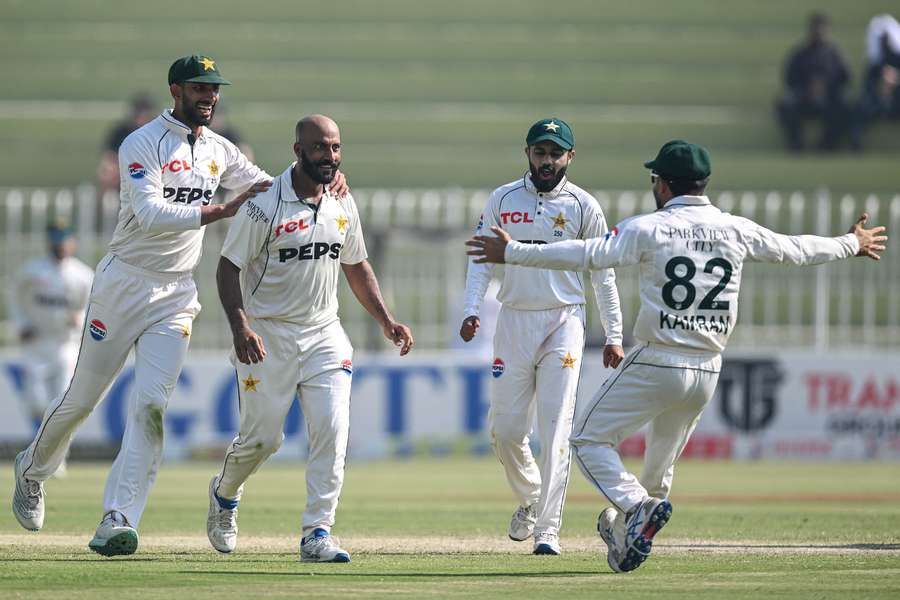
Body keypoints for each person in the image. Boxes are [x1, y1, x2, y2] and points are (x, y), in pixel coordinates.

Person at [466, 140, 887, 572]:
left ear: (663, 185)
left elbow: (589, 254)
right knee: (657, 472)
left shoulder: (649, 228)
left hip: (658, 359)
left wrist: (515, 252)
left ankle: (634, 507)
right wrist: (849, 243)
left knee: (588, 440)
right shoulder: (734, 228)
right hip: (707, 370)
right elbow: (794, 249)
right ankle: (625, 530)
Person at [11, 54, 347, 557]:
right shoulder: (140, 143)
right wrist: (221, 209)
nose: (208, 97)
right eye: (198, 89)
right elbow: (149, 215)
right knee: (82, 399)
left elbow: (268, 183)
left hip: (175, 295)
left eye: (213, 90)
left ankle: (118, 518)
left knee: (150, 407)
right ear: (175, 91)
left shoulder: (219, 149)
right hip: (123, 283)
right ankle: (32, 469)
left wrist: (322, 176)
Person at [206, 115, 413, 562]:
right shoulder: (265, 204)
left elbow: (355, 265)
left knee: (334, 431)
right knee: (263, 441)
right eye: (320, 148)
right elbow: (228, 267)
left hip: (325, 334)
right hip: (267, 335)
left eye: (336, 148)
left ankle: (317, 532)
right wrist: (241, 325)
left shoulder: (342, 201)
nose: (330, 157)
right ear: (297, 149)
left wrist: (386, 319)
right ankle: (224, 495)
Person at [459, 118, 624, 555]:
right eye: (539, 152)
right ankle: (532, 496)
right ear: (528, 154)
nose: (547, 160)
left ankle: (549, 530)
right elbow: (480, 259)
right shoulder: (502, 198)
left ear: (570, 157)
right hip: (514, 320)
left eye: (555, 153)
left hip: (563, 322)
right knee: (507, 431)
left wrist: (614, 334)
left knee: (555, 428)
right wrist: (472, 309)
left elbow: (602, 274)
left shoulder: (585, 206)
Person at [9, 221, 93, 475]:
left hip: (65, 345)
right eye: (56, 240)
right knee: (36, 402)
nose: (60, 246)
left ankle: (56, 459)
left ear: (73, 242)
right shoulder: (32, 271)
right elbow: (15, 296)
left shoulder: (83, 275)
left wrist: (80, 318)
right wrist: (21, 323)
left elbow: (94, 306)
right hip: (36, 344)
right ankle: (43, 452)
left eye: (65, 240)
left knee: (62, 403)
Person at [775, 12, 852, 152]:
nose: (819, 32)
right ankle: (796, 144)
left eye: (822, 29)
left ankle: (827, 145)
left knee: (845, 105)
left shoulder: (835, 54)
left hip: (829, 99)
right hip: (805, 98)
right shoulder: (800, 54)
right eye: (816, 28)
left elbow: (845, 78)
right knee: (785, 103)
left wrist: (827, 87)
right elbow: (789, 79)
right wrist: (807, 89)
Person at [851, 14, 900, 150]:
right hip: (878, 102)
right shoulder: (875, 64)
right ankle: (856, 145)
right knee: (860, 107)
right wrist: (881, 89)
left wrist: (894, 82)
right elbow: (867, 87)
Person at [96, 93, 157, 196]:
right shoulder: (121, 132)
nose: (141, 119)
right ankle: (107, 206)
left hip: (152, 174)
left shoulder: (158, 132)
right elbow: (110, 157)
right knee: (108, 172)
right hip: (127, 171)